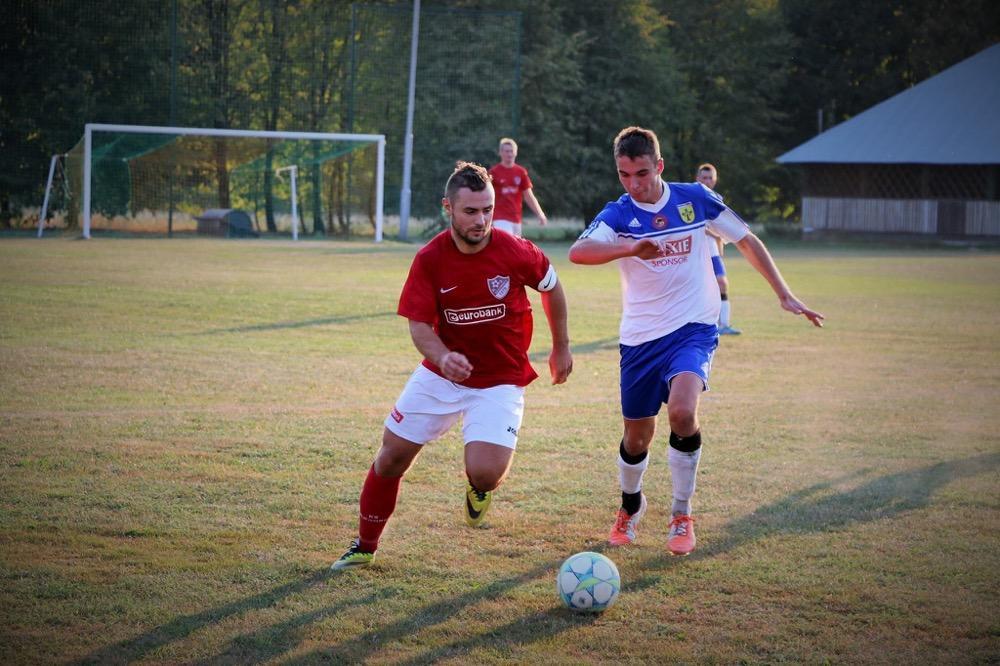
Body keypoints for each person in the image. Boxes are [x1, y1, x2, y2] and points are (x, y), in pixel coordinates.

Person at [568, 127, 823, 556]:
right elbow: (579, 252)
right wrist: (629, 250)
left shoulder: (695, 199)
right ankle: (630, 506)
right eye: (625, 174)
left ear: (660, 166)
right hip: (640, 338)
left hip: (693, 328)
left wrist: (783, 293)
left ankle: (681, 514)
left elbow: (746, 239)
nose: (634, 183)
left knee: (683, 412)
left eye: (642, 173)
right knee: (637, 438)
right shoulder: (618, 214)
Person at [332, 161, 573, 569]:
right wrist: (443, 357)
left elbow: (553, 288)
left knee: (484, 473)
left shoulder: (516, 251)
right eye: (471, 211)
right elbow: (420, 326)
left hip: (500, 378)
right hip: (442, 375)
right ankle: (365, 546)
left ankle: (479, 489)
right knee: (391, 455)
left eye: (488, 210)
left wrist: (561, 347)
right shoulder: (430, 259)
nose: (481, 220)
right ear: (448, 207)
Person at [696, 164, 741, 335]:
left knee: (722, 284)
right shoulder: (693, 199)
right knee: (699, 289)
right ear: (698, 179)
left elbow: (718, 226)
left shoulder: (717, 199)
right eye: (704, 177)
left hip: (713, 251)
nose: (707, 181)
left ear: (715, 180)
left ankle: (724, 325)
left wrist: (719, 242)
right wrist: (714, 235)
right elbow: (697, 225)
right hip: (697, 252)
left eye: (710, 178)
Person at [488, 138, 548, 237]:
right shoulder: (493, 172)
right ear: (500, 153)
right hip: (500, 218)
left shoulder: (520, 172)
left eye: (512, 151)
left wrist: (540, 214)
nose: (509, 154)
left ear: (516, 153)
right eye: (507, 151)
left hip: (516, 219)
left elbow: (529, 196)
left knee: (514, 248)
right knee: (507, 245)